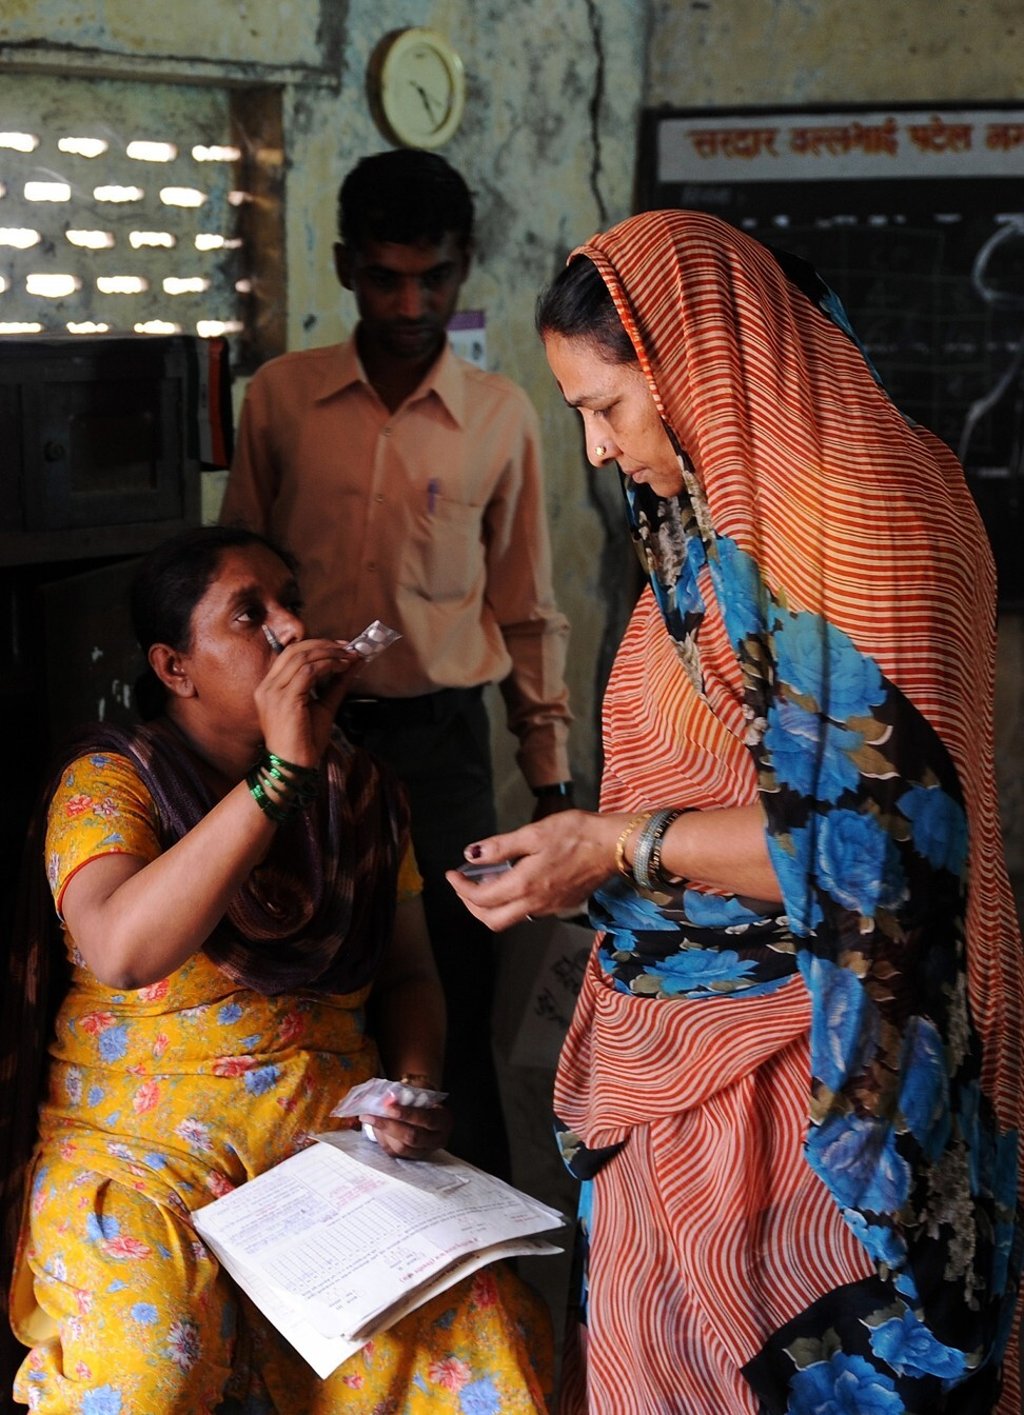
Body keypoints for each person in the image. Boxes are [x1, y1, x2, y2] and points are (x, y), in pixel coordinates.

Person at [448, 209, 1024, 1414]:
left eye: (606, 407)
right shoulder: (714, 519)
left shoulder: (861, 516)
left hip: (818, 1054)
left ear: (696, 365)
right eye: (578, 418)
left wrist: (616, 843)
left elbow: (884, 841)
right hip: (695, 1041)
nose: (598, 453)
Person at [1, 525, 552, 1413]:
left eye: (292, 600)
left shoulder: (360, 791)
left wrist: (410, 1089)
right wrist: (278, 775)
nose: (292, 628)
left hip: (322, 1158)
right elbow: (120, 947)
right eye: (250, 614)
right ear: (175, 668)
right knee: (151, 1373)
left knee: (494, 1344)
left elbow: (410, 973)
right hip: (143, 1157)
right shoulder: (112, 782)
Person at [219, 149, 573, 1179]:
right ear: (344, 267)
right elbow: (236, 578)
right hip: (302, 736)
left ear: (466, 269)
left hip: (443, 746)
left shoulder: (501, 416)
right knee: (309, 967)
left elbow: (528, 607)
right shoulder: (280, 400)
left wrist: (550, 776)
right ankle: (320, 1204)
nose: (411, 301)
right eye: (384, 275)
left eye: (434, 276)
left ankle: (464, 1224)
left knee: (455, 980)